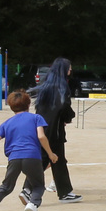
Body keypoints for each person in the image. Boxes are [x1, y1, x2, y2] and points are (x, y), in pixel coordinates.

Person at [0, 90, 59, 211]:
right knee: (38, 186)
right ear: (28, 104)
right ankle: (32, 204)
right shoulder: (36, 118)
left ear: (10, 106)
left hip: (14, 157)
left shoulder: (7, 123)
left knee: (6, 186)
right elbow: (41, 137)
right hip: (32, 156)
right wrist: (50, 154)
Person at [30, 57, 82, 203]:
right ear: (63, 69)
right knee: (47, 158)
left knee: (57, 160)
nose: (71, 70)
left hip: (42, 127)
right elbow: (64, 107)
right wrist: (69, 117)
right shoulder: (61, 87)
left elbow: (41, 108)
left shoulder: (46, 85)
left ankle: (64, 192)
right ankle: (28, 190)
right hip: (54, 131)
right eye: (69, 67)